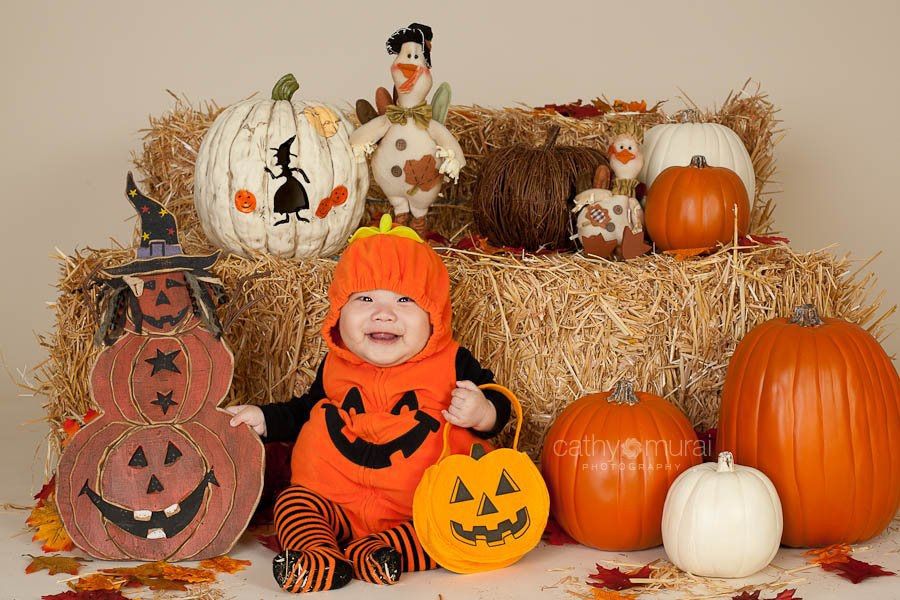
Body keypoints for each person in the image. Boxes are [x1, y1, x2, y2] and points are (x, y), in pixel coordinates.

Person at [225, 215, 512, 592]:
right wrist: (263, 418)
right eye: (364, 298)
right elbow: (304, 410)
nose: (383, 312)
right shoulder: (336, 363)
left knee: (448, 530)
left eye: (405, 300)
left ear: (434, 315)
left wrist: (484, 411)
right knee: (293, 503)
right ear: (339, 312)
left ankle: (383, 551)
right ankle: (317, 554)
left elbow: (499, 402)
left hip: (418, 508)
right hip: (334, 501)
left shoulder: (452, 361)